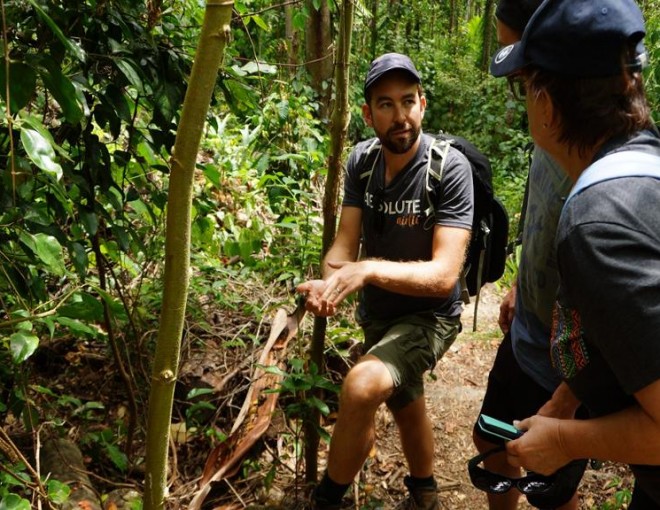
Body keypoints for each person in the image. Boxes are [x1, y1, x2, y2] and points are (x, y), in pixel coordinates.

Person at [489, 0, 660, 507]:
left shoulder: (597, 224)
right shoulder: (643, 169)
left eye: (524, 88)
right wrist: (568, 401)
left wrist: (566, 441)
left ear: (546, 102)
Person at [297, 53, 474, 510]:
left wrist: (368, 269)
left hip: (430, 317)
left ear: (423, 104)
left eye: (408, 102)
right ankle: (425, 494)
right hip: (379, 314)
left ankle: (327, 500)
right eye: (386, 104)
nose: (400, 117)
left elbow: (443, 276)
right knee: (406, 402)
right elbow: (344, 242)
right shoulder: (362, 161)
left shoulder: (449, 169)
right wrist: (329, 282)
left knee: (361, 387)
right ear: (367, 113)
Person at [471, 1, 585, 509]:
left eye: (519, 63)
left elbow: (619, 315)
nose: (515, 77)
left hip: (566, 366)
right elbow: (539, 219)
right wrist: (518, 283)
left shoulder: (602, 171)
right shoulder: (547, 126)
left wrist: (567, 400)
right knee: (491, 442)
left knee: (551, 489)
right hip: (526, 339)